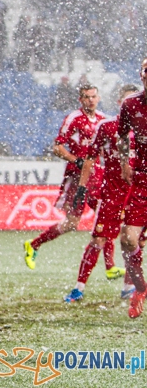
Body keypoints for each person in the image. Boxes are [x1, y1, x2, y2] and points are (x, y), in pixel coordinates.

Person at [64, 84, 140, 303]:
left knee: (133, 241)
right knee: (97, 239)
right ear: (120, 104)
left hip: (136, 195)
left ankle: (128, 286)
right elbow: (90, 158)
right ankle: (78, 288)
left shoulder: (143, 131)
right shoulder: (107, 127)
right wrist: (82, 188)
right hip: (111, 195)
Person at [24, 84, 106, 270]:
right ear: (80, 99)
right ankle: (34, 244)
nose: (90, 100)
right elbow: (57, 147)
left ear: (98, 98)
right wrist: (76, 160)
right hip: (78, 178)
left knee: (105, 217)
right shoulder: (73, 119)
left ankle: (110, 267)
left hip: (97, 175)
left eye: (93, 96)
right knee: (71, 223)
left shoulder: (102, 120)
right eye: (86, 97)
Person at [118, 58, 147, 318]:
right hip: (143, 180)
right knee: (127, 239)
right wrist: (125, 162)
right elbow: (122, 135)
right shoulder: (131, 105)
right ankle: (140, 288)